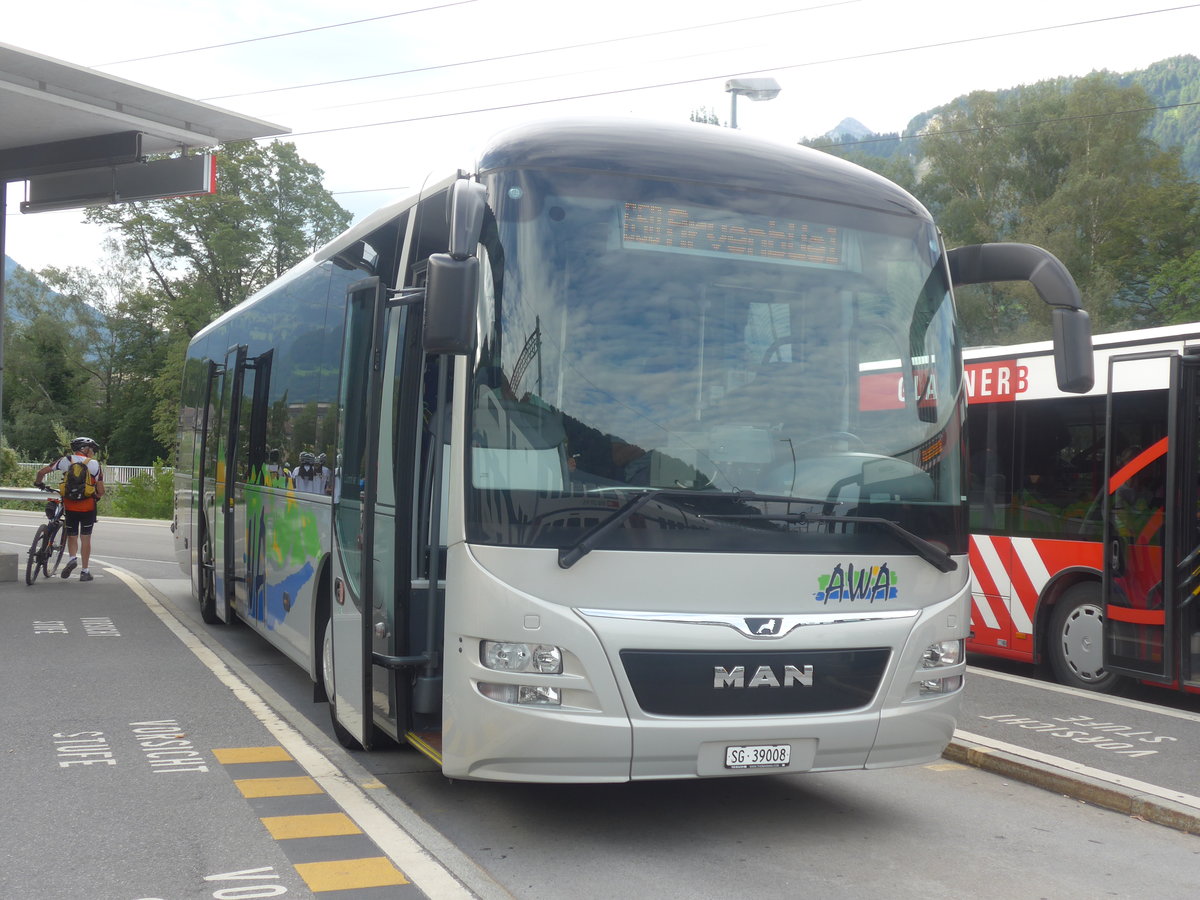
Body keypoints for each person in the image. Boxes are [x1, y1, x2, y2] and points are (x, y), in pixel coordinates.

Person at [34, 436, 105, 582]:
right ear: (84, 449)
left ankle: (72, 558)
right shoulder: (94, 464)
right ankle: (85, 572)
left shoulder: (65, 461)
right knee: (85, 538)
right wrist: (96, 496)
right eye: (91, 449)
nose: (92, 452)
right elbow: (101, 489)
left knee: (72, 534)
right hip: (88, 507)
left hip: (70, 505)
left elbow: (41, 472)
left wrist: (39, 484)